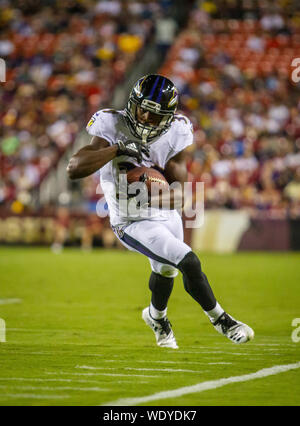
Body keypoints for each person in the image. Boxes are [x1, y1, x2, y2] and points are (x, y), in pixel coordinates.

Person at [67, 74, 254, 348]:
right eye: (141, 108)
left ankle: (156, 317)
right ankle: (222, 320)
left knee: (166, 271)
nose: (144, 118)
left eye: (154, 115)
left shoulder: (177, 133)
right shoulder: (111, 123)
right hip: (130, 221)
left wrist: (152, 193)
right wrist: (117, 148)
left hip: (163, 214)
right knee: (187, 261)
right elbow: (75, 168)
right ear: (132, 103)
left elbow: (178, 196)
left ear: (168, 117)